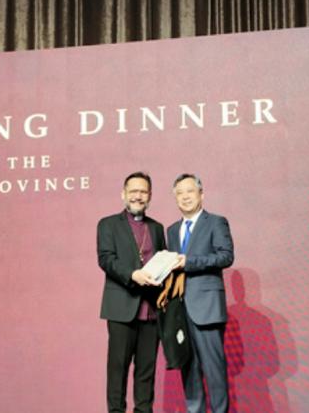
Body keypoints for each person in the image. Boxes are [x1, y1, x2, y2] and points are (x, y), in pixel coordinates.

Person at [97, 171, 167, 413]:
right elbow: (106, 259)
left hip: (151, 312)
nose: (138, 196)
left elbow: (162, 262)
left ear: (150, 196)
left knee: (146, 373)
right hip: (121, 309)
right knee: (117, 372)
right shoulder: (108, 224)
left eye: (143, 192)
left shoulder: (156, 228)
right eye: (133, 191)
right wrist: (132, 275)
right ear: (123, 194)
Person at [167, 173, 234, 413]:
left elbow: (225, 256)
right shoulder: (172, 230)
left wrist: (189, 261)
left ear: (201, 194)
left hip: (206, 308)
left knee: (214, 371)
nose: (185, 197)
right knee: (189, 371)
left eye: (190, 191)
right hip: (179, 310)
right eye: (180, 193)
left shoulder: (216, 222)